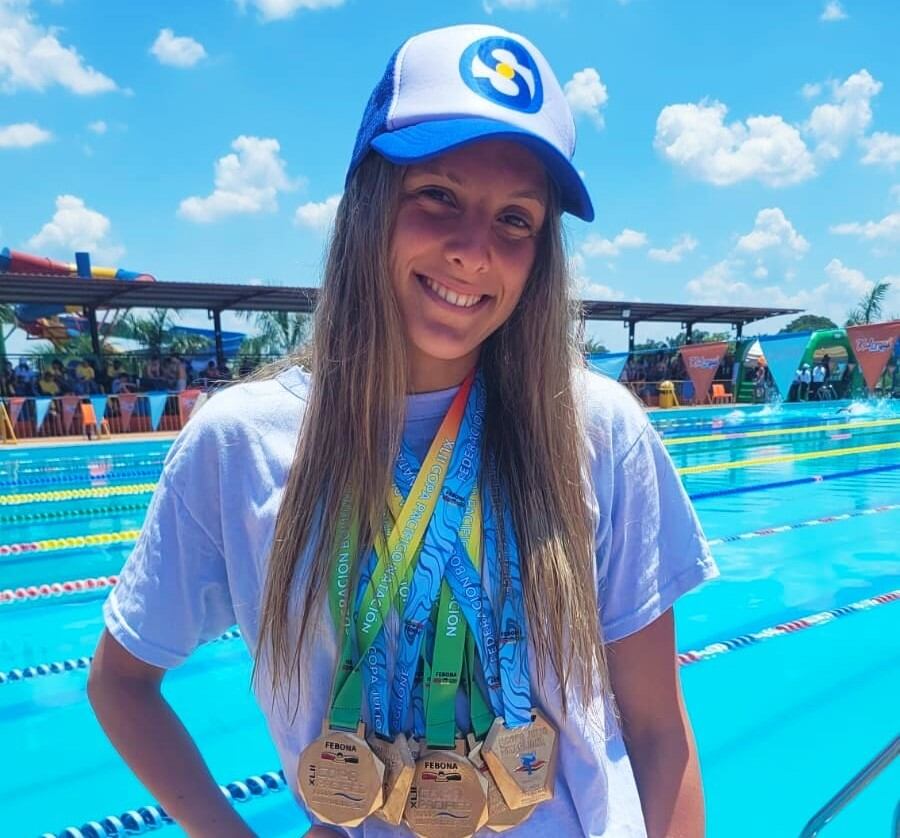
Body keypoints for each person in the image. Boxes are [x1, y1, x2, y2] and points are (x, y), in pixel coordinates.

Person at [88, 24, 718, 838]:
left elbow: (660, 731)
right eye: (440, 197)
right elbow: (119, 682)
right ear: (369, 201)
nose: (472, 251)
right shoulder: (240, 443)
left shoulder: (596, 429)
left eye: (516, 220)